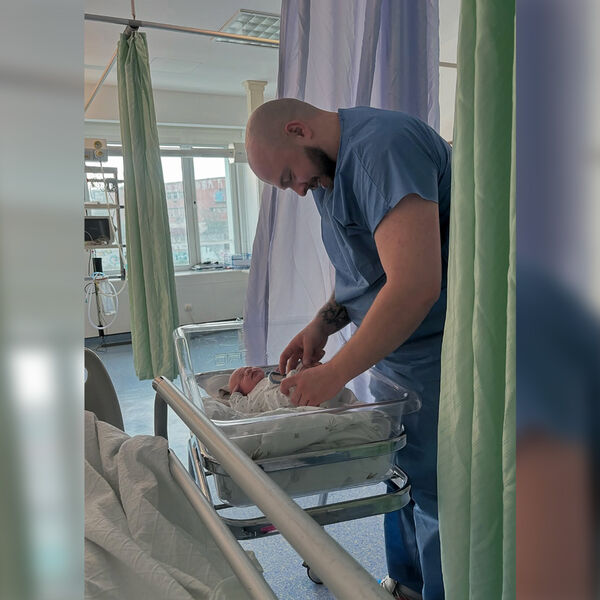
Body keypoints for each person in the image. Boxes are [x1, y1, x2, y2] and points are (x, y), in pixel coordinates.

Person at [245, 98, 451, 600]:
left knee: (438, 492)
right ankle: (408, 585)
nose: (298, 189)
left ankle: (443, 590)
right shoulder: (329, 176)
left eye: (290, 177)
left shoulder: (385, 147)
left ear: (299, 130)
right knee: (400, 476)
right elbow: (366, 271)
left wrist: (335, 372)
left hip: (436, 348)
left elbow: (415, 285)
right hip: (393, 352)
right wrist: (322, 324)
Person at [225, 365, 357, 414]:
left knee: (302, 373)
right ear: (242, 392)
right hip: (289, 399)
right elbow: (239, 408)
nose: (248, 371)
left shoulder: (268, 378)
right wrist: (235, 395)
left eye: (249, 367)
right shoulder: (251, 399)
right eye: (242, 376)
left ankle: (331, 386)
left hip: (297, 385)